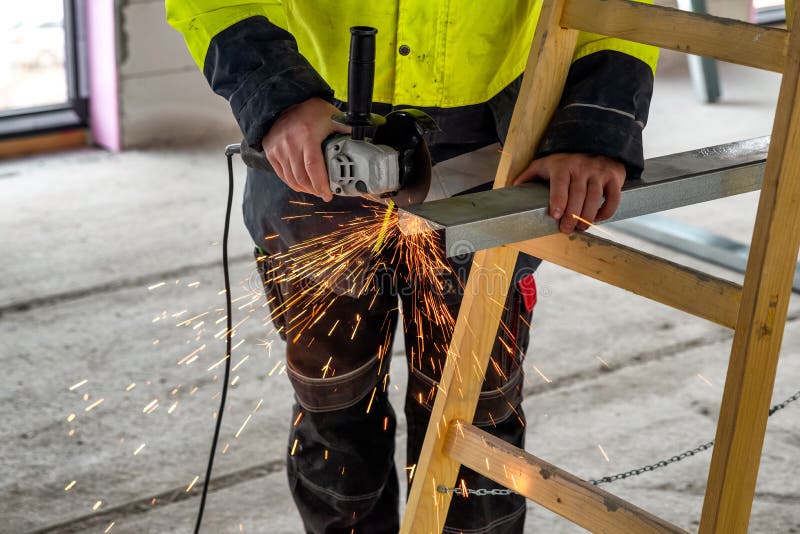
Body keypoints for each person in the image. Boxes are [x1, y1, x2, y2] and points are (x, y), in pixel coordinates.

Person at [167, 2, 658, 532]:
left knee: (473, 424)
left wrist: (594, 125)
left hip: (494, 143)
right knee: (333, 410)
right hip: (311, 136)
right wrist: (275, 94)